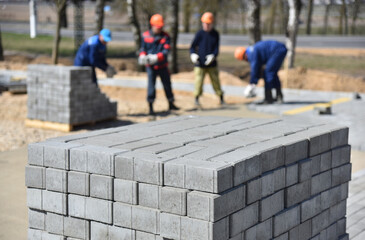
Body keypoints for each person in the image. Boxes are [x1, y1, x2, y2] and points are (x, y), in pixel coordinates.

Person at [138, 14, 179, 115]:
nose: (159, 29)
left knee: (167, 85)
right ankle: (151, 107)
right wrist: (143, 56)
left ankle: (171, 103)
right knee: (151, 86)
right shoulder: (145, 36)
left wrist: (157, 57)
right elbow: (142, 48)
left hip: (162, 66)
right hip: (150, 67)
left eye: (161, 27)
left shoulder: (165, 36)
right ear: (152, 25)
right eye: (158, 27)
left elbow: (166, 50)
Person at [190, 12, 224, 106]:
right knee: (198, 82)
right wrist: (193, 55)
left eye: (209, 24)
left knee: (215, 81)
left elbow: (216, 49)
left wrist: (213, 56)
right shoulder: (199, 34)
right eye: (205, 23)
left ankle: (221, 97)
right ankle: (196, 98)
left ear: (212, 23)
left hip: (212, 63)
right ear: (202, 23)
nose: (207, 25)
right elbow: (192, 47)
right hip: (199, 63)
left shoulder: (215, 34)